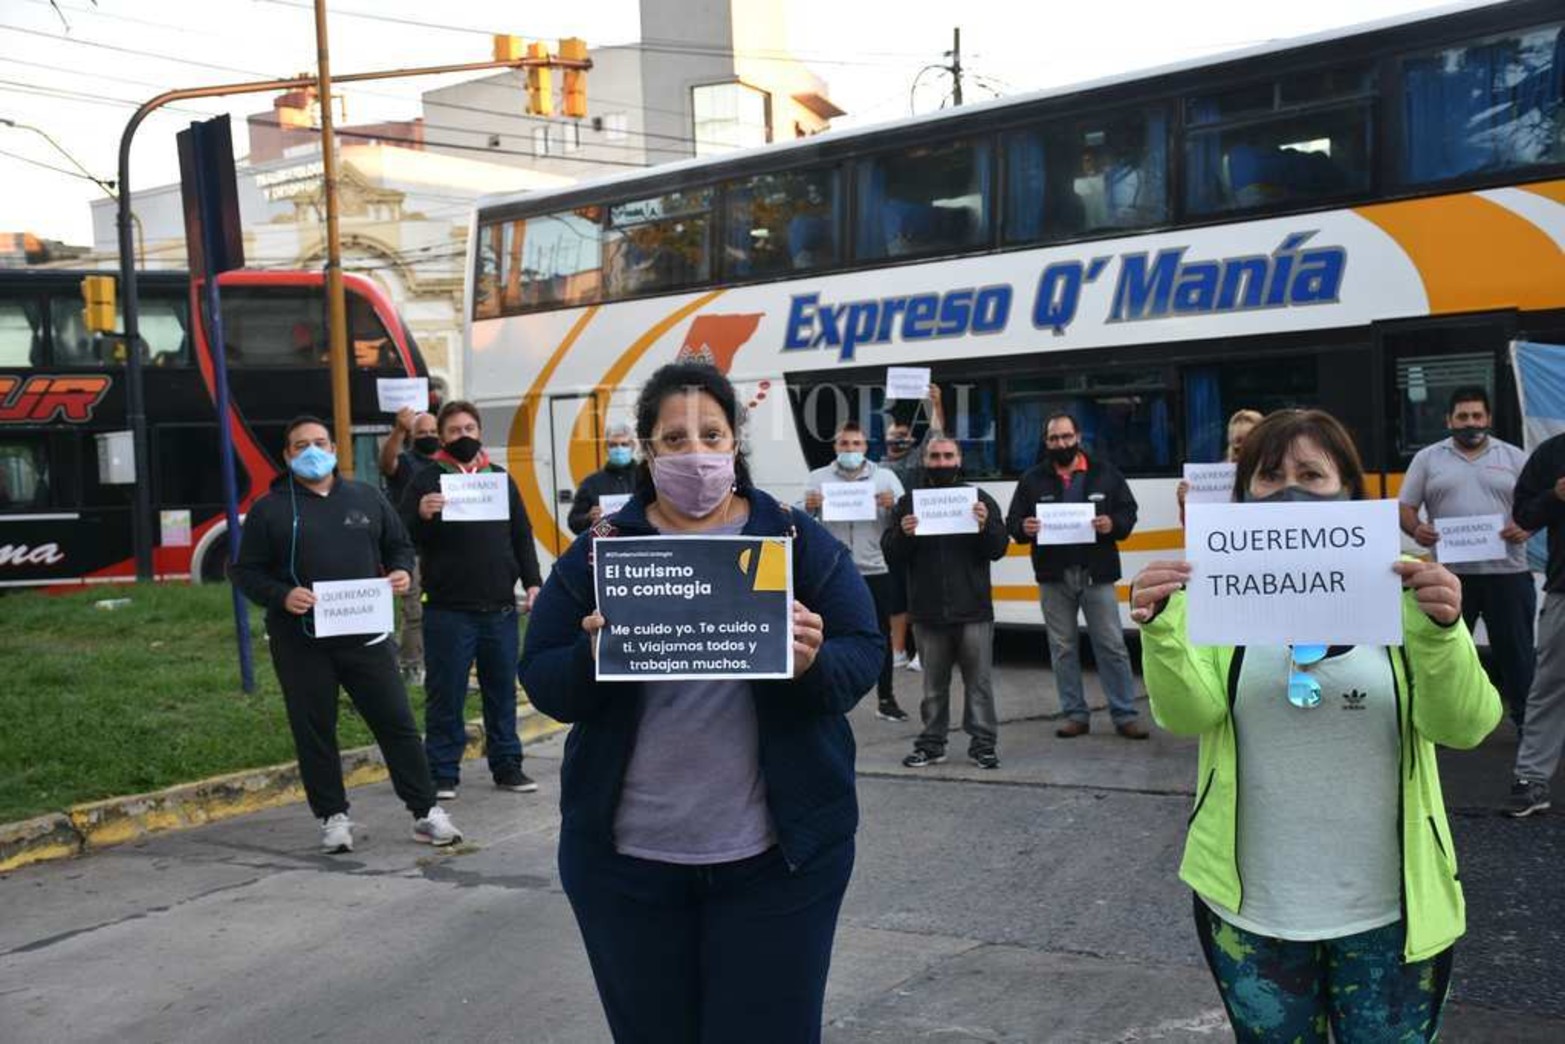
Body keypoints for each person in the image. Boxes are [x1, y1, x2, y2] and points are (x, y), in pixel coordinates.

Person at [520, 362, 882, 1044]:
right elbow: (542, 678)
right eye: (675, 438)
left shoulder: (795, 541)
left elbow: (863, 654)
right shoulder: (602, 551)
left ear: (734, 444)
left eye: (711, 435)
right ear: (648, 451)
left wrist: (811, 664)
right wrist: (588, 659)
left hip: (779, 866)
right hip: (626, 869)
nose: (696, 454)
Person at [1129, 408, 1501, 1042]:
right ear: (1244, 493)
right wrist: (1161, 631)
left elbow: (1466, 727)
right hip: (1251, 912)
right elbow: (1188, 714)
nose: (1290, 489)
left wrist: (1442, 634)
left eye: (1311, 473)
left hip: (1391, 913)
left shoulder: (1408, 590)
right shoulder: (1211, 594)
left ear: (1350, 489)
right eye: (1269, 476)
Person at [232, 416, 462, 853]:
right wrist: (282, 596)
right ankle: (333, 817)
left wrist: (398, 571)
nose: (311, 451)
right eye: (301, 445)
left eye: (319, 442)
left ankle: (426, 812)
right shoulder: (270, 509)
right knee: (315, 729)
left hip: (366, 637)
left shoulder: (366, 497)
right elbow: (244, 571)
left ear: (335, 449)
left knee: (397, 724)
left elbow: (399, 545)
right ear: (287, 455)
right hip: (300, 641)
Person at [403, 400, 543, 800]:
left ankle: (507, 765)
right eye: (453, 431)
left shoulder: (498, 478)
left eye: (469, 429)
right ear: (442, 437)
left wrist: (532, 582)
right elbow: (402, 534)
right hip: (448, 611)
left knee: (502, 692)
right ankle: (443, 772)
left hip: (499, 608)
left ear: (479, 432)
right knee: (446, 694)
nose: (462, 436)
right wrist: (421, 514)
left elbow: (521, 534)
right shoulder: (428, 480)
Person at [1400, 386, 1533, 734]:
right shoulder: (1429, 459)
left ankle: (1527, 728)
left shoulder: (1514, 457)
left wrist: (1525, 525)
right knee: (1446, 653)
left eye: (1476, 415)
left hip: (1509, 574)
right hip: (1451, 578)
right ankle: (1439, 727)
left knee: (1517, 657)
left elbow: (1536, 504)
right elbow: (1406, 508)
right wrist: (1417, 530)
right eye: (1462, 416)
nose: (1470, 422)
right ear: (1449, 420)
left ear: (1488, 418)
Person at [1006, 412, 1148, 739]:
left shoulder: (1105, 474)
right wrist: (1023, 528)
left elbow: (1129, 512)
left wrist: (1113, 524)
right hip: (1053, 576)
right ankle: (1074, 715)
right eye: (1054, 439)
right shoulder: (1032, 480)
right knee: (1063, 648)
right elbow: (1014, 522)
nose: (1061, 444)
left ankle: (1125, 714)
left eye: (1066, 437)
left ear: (1078, 437)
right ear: (1046, 442)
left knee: (1112, 645)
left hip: (1096, 574)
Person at [882, 435, 1010, 769]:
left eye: (947, 456)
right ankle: (931, 743)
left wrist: (984, 526)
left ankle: (983, 744)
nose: (941, 462)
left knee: (979, 685)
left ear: (959, 458)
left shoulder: (980, 499)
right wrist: (903, 534)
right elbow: (891, 553)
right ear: (925, 460)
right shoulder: (910, 502)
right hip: (927, 611)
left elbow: (998, 548)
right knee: (933, 688)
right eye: (935, 456)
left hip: (974, 610)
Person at [803, 420, 908, 722]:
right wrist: (809, 507)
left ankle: (886, 698)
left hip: (877, 568)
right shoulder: (817, 478)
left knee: (881, 635)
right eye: (844, 445)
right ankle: (829, 696)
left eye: (856, 445)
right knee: (829, 635)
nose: (850, 450)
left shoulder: (885, 477)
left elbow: (905, 517)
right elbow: (801, 520)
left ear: (865, 447)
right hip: (835, 573)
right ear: (836, 447)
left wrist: (894, 505)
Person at [1506, 427, 1565, 817]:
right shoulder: (1553, 453)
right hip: (1564, 590)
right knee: (1549, 685)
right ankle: (1532, 779)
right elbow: (1523, 514)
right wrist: (1555, 497)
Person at [882, 384, 945, 673]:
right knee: (897, 599)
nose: (898, 440)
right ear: (885, 440)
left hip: (922, 539)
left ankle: (922, 652)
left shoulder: (918, 459)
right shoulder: (876, 469)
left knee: (921, 596)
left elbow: (937, 435)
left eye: (904, 436)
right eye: (894, 436)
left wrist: (935, 404)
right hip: (895, 540)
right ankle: (897, 652)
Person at [379, 406, 441, 684]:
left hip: (442, 550)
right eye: (422, 432)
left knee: (441, 609)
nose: (428, 436)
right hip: (411, 550)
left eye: (433, 432)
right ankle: (411, 666)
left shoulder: (446, 464)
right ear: (412, 436)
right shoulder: (404, 462)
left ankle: (435, 659)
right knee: (414, 610)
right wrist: (399, 429)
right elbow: (386, 462)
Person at [1177, 408, 1263, 518]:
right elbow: (1199, 525)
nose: (1240, 447)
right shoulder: (1218, 475)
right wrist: (1185, 504)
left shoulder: (1272, 475)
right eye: (1236, 442)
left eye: (1248, 441)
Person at [567, 420, 638, 534]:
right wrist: (588, 518)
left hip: (640, 546)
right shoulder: (591, 483)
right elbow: (573, 522)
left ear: (633, 446)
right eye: (613, 445)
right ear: (606, 448)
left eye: (624, 444)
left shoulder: (647, 479)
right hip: (606, 547)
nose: (619, 449)